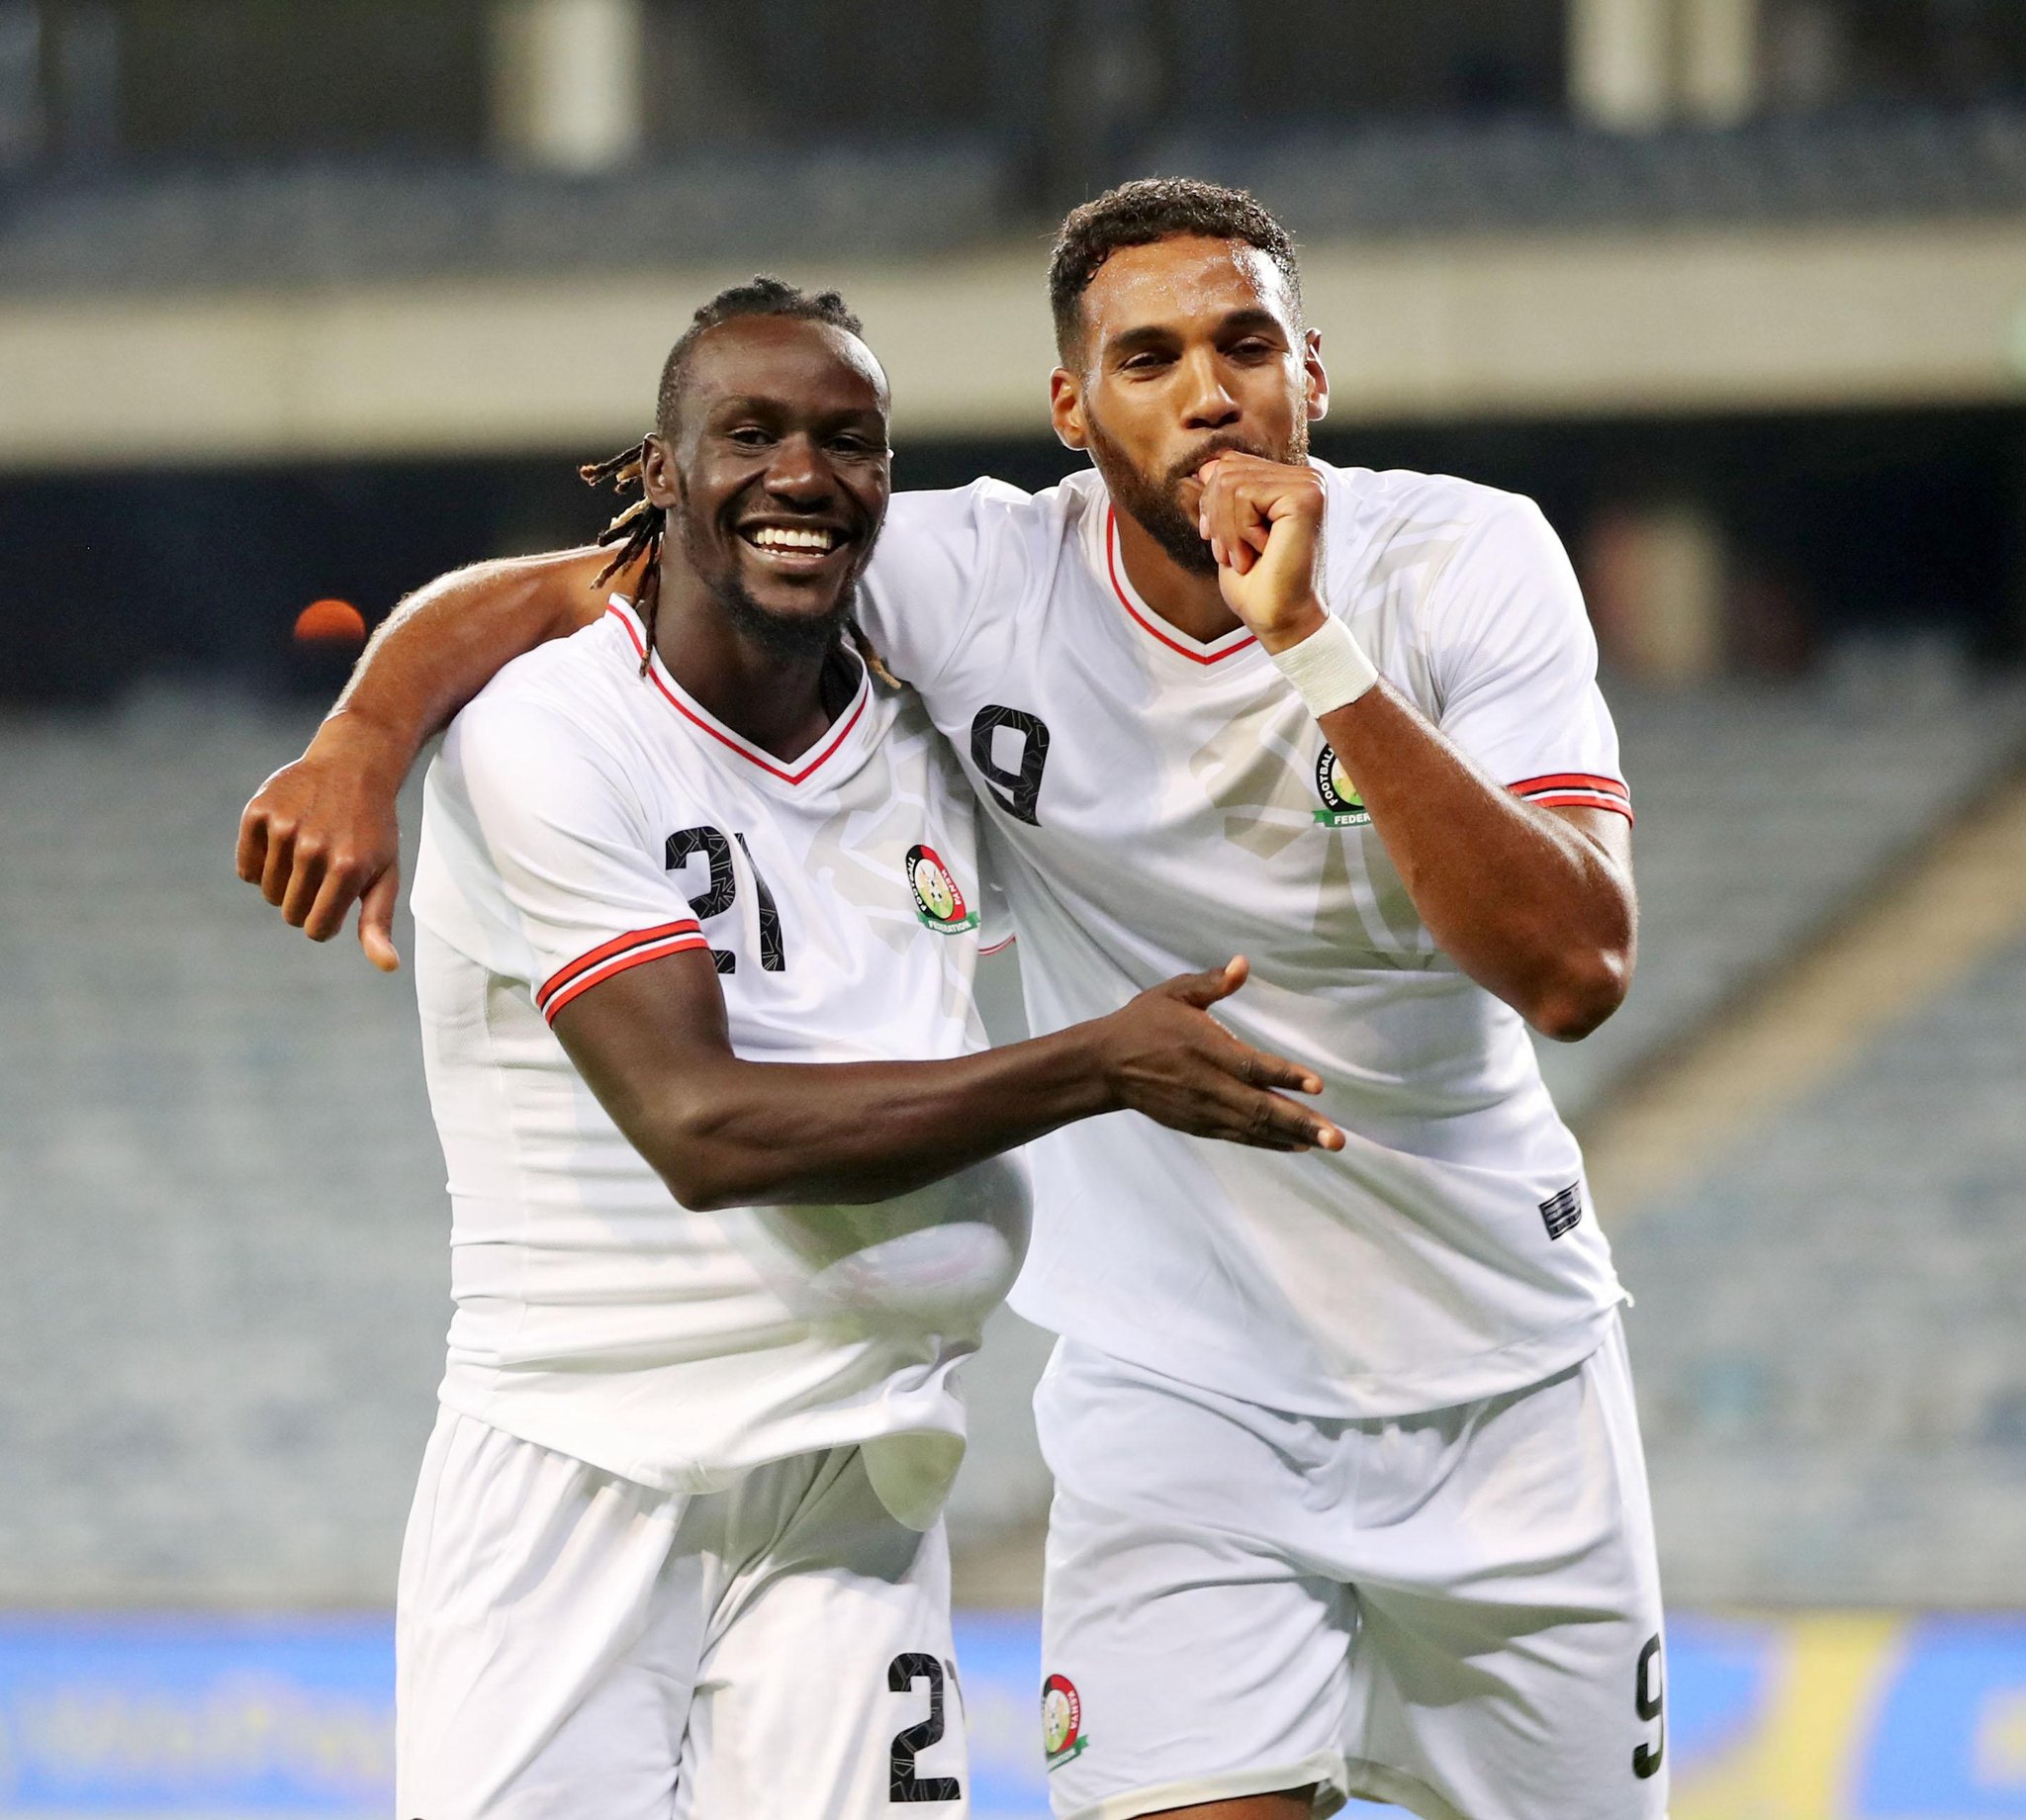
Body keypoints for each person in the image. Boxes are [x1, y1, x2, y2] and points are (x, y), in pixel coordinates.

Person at [241, 181, 1662, 1820]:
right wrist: (362, 739)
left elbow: (1574, 969)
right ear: (1073, 408)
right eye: (1148, 357)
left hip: (1508, 1379)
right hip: (1176, 1395)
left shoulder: (1466, 559)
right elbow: (588, 583)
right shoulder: (965, 576)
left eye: (1245, 344)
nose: (1207, 390)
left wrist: (1316, 648)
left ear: (1311, 375)